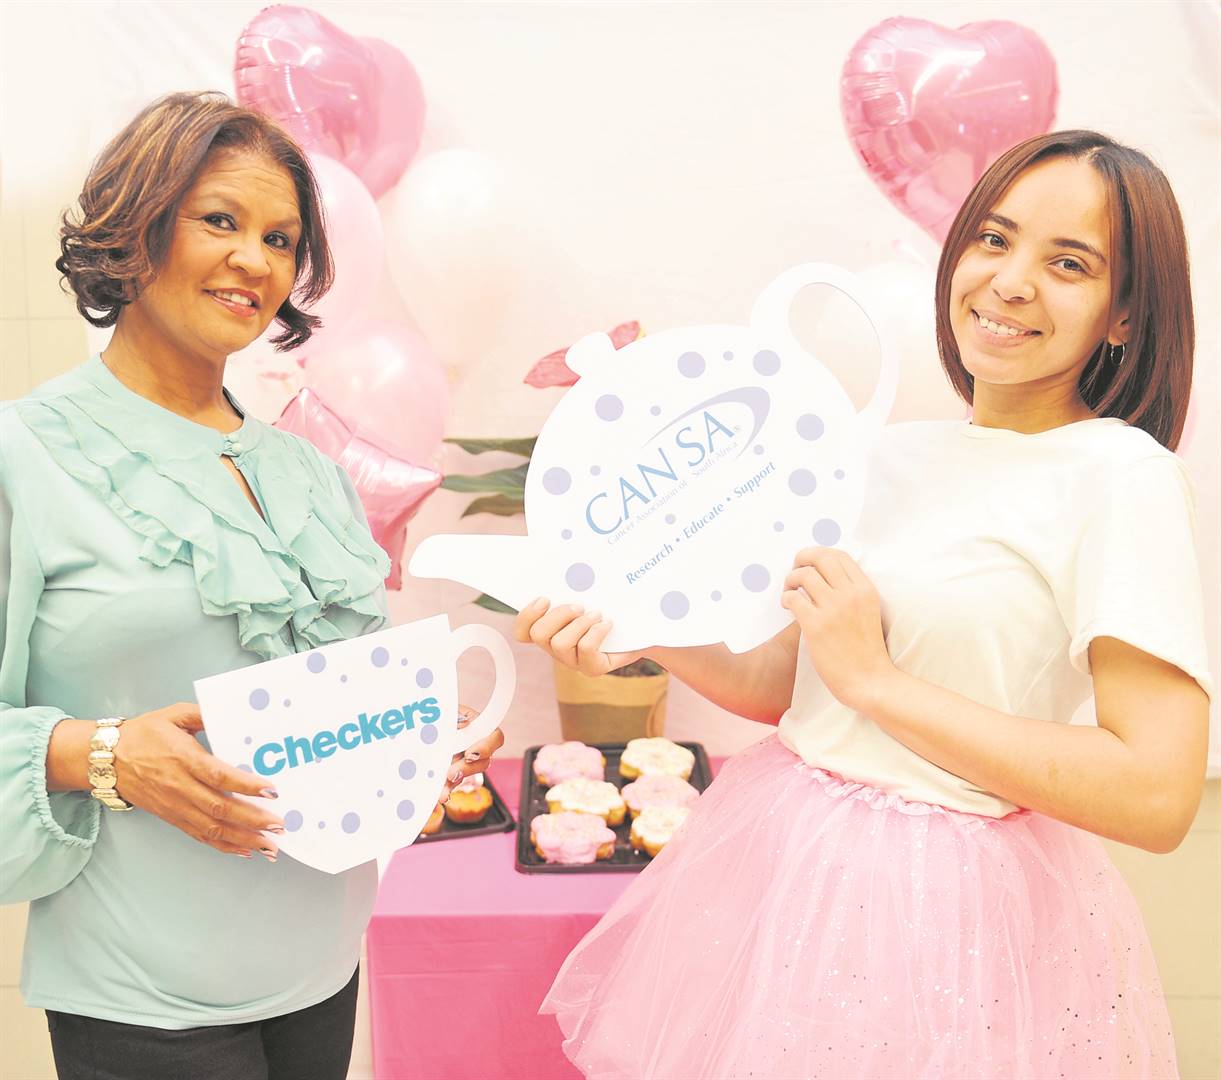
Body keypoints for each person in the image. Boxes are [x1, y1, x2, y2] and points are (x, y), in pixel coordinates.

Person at [516, 130, 1212, 1079]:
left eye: (1068, 263)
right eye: (994, 238)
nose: (1010, 282)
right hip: (779, 867)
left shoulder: (1119, 475)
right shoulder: (884, 454)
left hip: (951, 921)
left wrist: (877, 682)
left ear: (1123, 315)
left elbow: (1155, 792)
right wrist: (637, 628)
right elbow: (790, 688)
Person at [0, 92, 502, 1080]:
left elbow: (340, 694)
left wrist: (411, 741)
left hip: (322, 965)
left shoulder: (309, 471)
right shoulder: (24, 455)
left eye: (280, 239)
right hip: (143, 994)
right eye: (220, 220)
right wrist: (100, 753)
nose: (256, 261)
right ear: (136, 226)